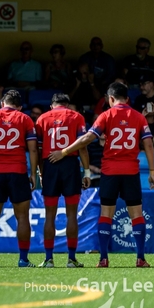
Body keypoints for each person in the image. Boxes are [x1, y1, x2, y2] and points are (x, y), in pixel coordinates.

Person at [49, 82, 154, 268]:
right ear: (127, 99)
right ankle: (140, 258)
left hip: (110, 172)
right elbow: (148, 144)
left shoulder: (106, 115)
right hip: (131, 171)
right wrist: (152, 170)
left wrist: (64, 151)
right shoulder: (139, 117)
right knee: (137, 215)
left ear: (111, 99)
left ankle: (104, 259)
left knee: (106, 215)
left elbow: (88, 138)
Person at [0, 90, 38, 268]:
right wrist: (33, 173)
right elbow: (33, 150)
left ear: (3, 103)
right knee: (23, 218)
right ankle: (23, 259)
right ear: (19, 106)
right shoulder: (25, 119)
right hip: (18, 172)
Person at [35, 93, 91, 268]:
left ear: (52, 105)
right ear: (67, 105)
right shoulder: (76, 117)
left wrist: (41, 173)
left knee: (49, 215)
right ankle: (71, 259)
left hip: (50, 165)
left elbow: (37, 149)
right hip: (70, 166)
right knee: (71, 214)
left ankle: (49, 259)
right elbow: (82, 147)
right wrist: (87, 172)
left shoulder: (42, 119)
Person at [132, 72, 154, 142]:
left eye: (144, 84)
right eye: (140, 85)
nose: (141, 87)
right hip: (144, 126)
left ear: (151, 84)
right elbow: (134, 118)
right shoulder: (139, 99)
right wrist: (145, 117)